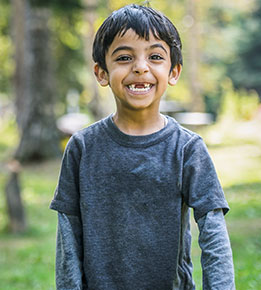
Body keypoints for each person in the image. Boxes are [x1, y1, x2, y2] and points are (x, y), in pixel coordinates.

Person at [49, 4, 234, 289]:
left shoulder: (187, 149)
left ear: (173, 72)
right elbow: (68, 236)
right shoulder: (81, 148)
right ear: (101, 73)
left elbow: (213, 233)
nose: (140, 67)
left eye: (156, 56)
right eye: (124, 57)